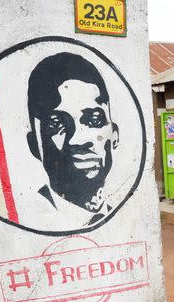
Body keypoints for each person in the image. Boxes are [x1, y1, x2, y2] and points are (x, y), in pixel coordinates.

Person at [26, 52, 119, 228]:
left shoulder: (122, 220)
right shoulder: (31, 221)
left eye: (93, 120)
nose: (77, 139)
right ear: (34, 145)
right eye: (57, 124)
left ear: (114, 136)